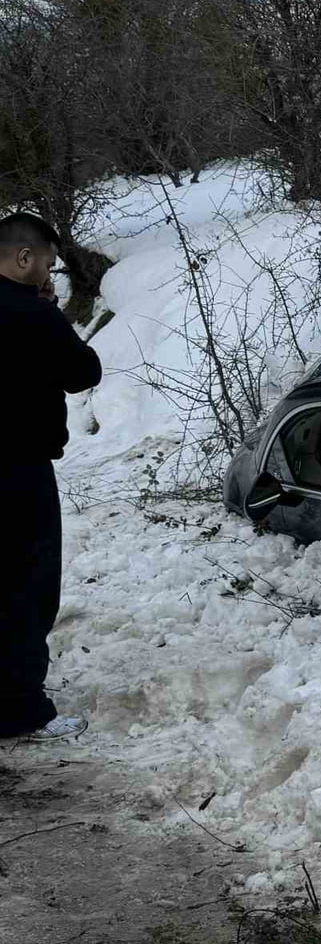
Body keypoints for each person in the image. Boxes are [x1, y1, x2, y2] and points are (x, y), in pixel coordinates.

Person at [0, 212, 102, 742]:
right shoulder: (32, 316)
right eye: (46, 263)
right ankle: (20, 709)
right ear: (24, 258)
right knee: (26, 586)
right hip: (17, 473)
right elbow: (84, 371)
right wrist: (54, 319)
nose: (47, 274)